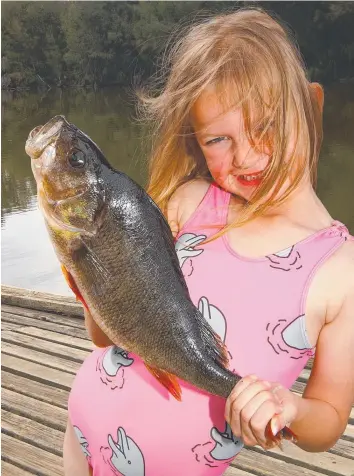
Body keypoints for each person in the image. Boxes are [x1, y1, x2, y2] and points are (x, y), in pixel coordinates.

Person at [63, 8, 354, 476]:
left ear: (310, 105)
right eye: (218, 139)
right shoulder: (189, 202)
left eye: (267, 125)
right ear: (196, 144)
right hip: (78, 437)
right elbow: (102, 337)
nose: (248, 154)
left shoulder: (341, 271)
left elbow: (330, 420)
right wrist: (93, 271)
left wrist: (293, 408)